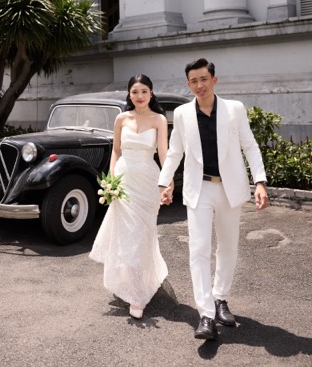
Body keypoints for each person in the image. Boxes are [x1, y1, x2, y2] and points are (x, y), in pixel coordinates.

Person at [158, 58, 269, 340]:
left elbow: (250, 145)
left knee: (227, 247)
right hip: (200, 188)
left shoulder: (234, 109)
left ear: (214, 80)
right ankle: (206, 314)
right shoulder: (182, 114)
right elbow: (175, 151)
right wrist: (164, 182)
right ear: (188, 84)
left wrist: (260, 181)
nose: (200, 85)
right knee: (198, 249)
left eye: (204, 79)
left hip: (229, 188)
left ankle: (220, 298)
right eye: (194, 81)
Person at [89, 74, 169, 319]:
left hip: (147, 182)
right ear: (129, 95)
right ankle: (136, 294)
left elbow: (164, 154)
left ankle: (144, 278)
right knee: (127, 236)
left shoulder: (159, 120)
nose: (140, 96)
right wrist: (111, 180)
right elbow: (115, 151)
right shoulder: (121, 118)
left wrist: (167, 184)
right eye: (135, 92)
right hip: (123, 182)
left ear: (151, 93)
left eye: (144, 91)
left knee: (142, 235)